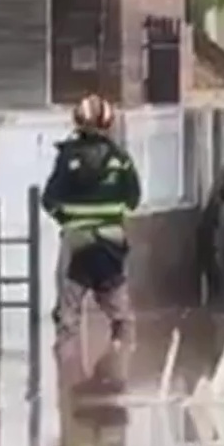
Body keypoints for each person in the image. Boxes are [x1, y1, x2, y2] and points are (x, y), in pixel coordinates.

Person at [42, 94, 140, 340]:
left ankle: (66, 370)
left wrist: (67, 220)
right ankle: (121, 359)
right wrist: (112, 220)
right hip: (111, 242)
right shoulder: (121, 160)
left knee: (68, 313)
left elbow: (49, 199)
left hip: (76, 241)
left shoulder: (67, 158)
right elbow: (133, 199)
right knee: (120, 313)